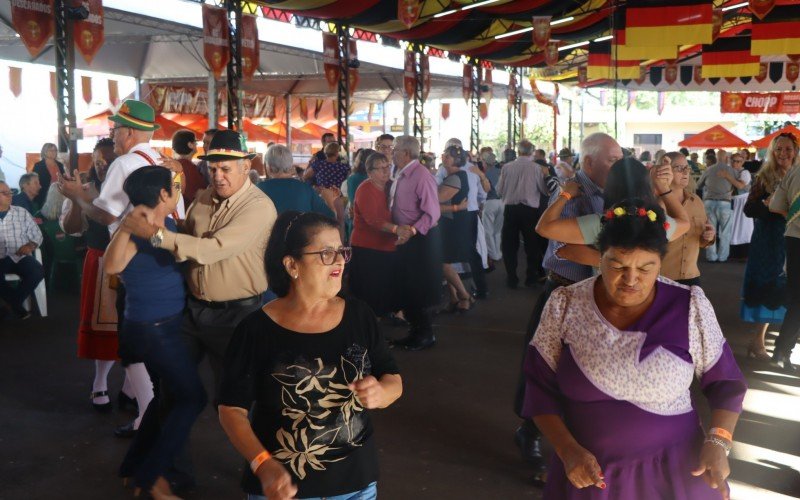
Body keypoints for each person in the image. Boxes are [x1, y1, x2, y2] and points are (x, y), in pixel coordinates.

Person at [522, 199, 747, 499]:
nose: (630, 279)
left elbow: (727, 384)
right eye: (617, 265)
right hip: (590, 473)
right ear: (598, 257)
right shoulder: (566, 305)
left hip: (676, 468)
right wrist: (567, 450)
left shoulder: (689, 306)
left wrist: (718, 443)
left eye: (645, 267)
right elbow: (538, 388)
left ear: (660, 263)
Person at [120, 130, 276, 488]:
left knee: (239, 401)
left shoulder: (259, 207)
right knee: (173, 393)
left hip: (238, 315)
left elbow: (211, 248)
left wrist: (154, 234)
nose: (218, 175)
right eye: (213, 168)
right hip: (193, 311)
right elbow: (186, 238)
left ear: (246, 166)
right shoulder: (204, 196)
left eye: (226, 168)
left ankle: (262, 476)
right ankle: (172, 478)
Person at [218, 210, 402, 500]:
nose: (340, 260)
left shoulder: (359, 316)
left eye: (341, 250)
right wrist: (263, 464)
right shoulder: (256, 330)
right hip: (283, 490)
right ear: (292, 264)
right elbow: (231, 410)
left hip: (357, 485)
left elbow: (392, 376)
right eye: (326, 253)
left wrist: (383, 393)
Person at [58, 99, 170, 439]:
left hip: (133, 258)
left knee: (131, 339)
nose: (115, 134)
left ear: (131, 132)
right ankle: (145, 404)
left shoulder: (125, 162)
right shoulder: (161, 161)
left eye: (117, 129)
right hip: (163, 256)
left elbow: (105, 215)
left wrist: (78, 196)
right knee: (153, 338)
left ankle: (147, 415)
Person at [512, 132, 622, 470]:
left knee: (589, 368)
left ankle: (581, 438)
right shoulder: (570, 191)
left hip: (598, 295)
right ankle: (529, 431)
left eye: (620, 160)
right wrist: (613, 252)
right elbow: (561, 244)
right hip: (563, 290)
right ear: (589, 162)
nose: (618, 166)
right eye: (612, 160)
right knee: (543, 366)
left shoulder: (615, 194)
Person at [104, 166, 206, 499]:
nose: (178, 189)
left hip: (164, 325)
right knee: (193, 398)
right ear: (163, 194)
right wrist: (128, 223)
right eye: (174, 186)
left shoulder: (167, 225)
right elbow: (112, 266)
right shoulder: (138, 226)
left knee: (167, 398)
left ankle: (132, 468)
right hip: (153, 329)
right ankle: (150, 475)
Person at [61, 137, 123, 412]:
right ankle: (99, 382)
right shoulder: (86, 189)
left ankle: (133, 388)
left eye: (108, 161)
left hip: (132, 261)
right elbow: (71, 228)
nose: (103, 166)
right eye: (98, 161)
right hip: (100, 259)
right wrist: (76, 199)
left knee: (133, 326)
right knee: (104, 326)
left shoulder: (130, 187)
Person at [746, 133, 797, 369]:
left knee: (789, 290)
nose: (783, 154)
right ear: (772, 152)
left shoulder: (798, 176)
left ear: (795, 151)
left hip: (793, 238)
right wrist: (770, 208)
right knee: (768, 285)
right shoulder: (763, 177)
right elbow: (749, 209)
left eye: (788, 149)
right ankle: (758, 341)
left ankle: (785, 343)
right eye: (778, 150)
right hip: (768, 240)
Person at [389, 136, 442, 351]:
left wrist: (411, 230)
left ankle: (424, 333)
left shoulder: (421, 175)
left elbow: (433, 214)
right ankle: (416, 331)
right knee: (407, 286)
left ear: (405, 153)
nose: (392, 153)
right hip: (406, 237)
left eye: (395, 149)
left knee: (417, 286)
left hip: (419, 238)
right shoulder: (402, 173)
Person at [497, 139, 549, 289]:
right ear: (532, 152)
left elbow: (499, 190)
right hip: (530, 211)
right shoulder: (537, 168)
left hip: (510, 210)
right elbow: (544, 190)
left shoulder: (506, 167)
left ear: (518, 151)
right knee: (532, 245)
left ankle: (511, 278)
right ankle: (530, 277)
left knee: (509, 245)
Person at [660, 152, 716, 287]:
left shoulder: (696, 201)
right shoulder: (656, 203)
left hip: (691, 277)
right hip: (662, 277)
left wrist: (709, 236)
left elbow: (702, 241)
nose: (685, 172)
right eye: (679, 168)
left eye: (687, 167)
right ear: (665, 170)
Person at [770, 133, 800, 371]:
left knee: (796, 300)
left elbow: (775, 205)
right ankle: (782, 352)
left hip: (793, 238)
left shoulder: (793, 172)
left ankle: (782, 351)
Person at [0, 180, 44, 320]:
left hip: (20, 256)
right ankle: (16, 306)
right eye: (4, 193)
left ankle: (10, 304)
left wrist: (30, 246)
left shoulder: (21, 213)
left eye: (10, 192)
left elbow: (37, 235)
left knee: (37, 271)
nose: (10, 195)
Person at [438, 145, 473, 313]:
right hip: (450, 222)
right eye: (444, 155)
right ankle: (454, 297)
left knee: (443, 262)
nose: (444, 158)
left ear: (456, 160)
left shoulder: (455, 178)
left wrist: (455, 208)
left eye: (448, 156)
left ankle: (464, 295)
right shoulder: (454, 176)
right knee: (443, 261)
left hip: (452, 223)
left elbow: (434, 204)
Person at [257, 144, 334, 217]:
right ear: (291, 165)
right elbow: (329, 218)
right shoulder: (305, 188)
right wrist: (330, 200)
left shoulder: (258, 190)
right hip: (301, 230)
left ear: (269, 167)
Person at [697, 149, 738, 263]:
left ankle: (711, 256)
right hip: (725, 202)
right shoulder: (731, 170)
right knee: (725, 232)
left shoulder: (709, 169)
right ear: (726, 158)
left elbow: (699, 184)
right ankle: (723, 257)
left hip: (709, 202)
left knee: (710, 230)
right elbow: (739, 185)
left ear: (716, 157)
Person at [171, 129, 207, 206]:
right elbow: (197, 193)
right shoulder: (188, 167)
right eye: (195, 142)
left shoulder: (176, 165)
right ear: (190, 144)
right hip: (188, 211)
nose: (196, 145)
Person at [482, 152, 503, 270]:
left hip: (490, 202)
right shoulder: (500, 172)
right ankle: (498, 253)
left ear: (485, 162)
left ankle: (493, 254)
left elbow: (484, 190)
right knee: (497, 230)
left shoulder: (485, 174)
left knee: (488, 231)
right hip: (502, 202)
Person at [32, 142, 65, 207]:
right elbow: (34, 182)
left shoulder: (60, 165)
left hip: (59, 195)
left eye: (55, 150)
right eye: (51, 150)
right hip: (44, 196)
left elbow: (63, 179)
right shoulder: (38, 165)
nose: (54, 152)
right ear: (45, 152)